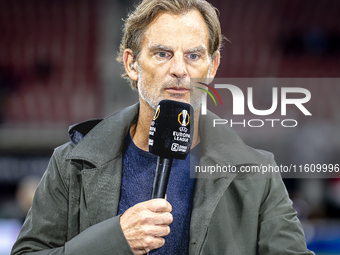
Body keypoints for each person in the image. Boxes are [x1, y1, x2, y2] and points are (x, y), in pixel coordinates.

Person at [11, 0, 315, 254]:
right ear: (132, 64)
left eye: (194, 56)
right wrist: (115, 239)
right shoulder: (71, 163)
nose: (180, 70)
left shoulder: (257, 173)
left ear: (212, 67)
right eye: (162, 54)